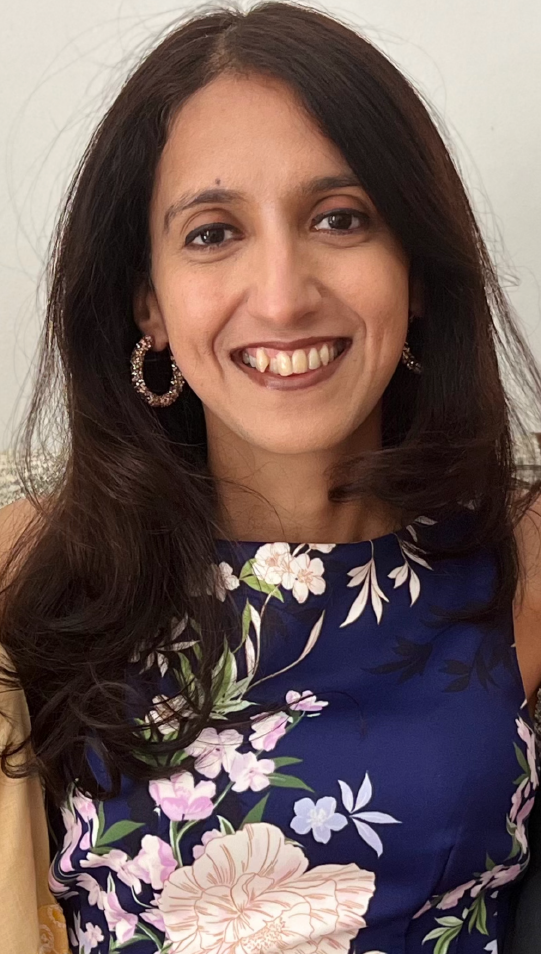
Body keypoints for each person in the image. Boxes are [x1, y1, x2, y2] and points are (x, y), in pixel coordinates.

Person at [1, 2, 540, 951]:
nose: (284, 294)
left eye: (339, 218)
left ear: (413, 271)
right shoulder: (28, 572)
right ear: (148, 303)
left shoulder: (521, 559)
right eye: (212, 233)